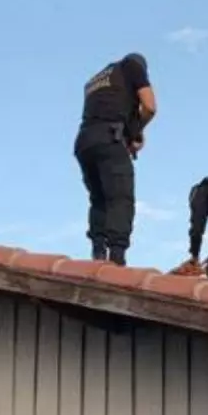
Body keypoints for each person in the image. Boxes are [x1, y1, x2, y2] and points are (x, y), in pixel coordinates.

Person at [74, 52, 157, 266]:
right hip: (109, 138)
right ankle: (117, 259)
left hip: (84, 142)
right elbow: (149, 106)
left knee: (99, 198)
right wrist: (136, 130)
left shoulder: (95, 80)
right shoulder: (132, 65)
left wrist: (129, 134)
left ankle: (98, 252)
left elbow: (108, 107)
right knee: (120, 197)